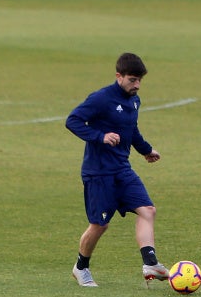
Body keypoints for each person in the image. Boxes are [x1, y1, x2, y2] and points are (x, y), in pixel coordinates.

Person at [66, 52, 169, 287]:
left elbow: (131, 130)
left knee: (147, 210)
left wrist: (145, 150)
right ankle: (81, 267)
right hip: (98, 172)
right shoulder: (101, 99)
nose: (137, 85)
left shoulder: (134, 100)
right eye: (133, 80)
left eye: (140, 80)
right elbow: (73, 120)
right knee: (100, 224)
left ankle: (150, 262)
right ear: (118, 76)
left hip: (122, 169)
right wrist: (100, 136)